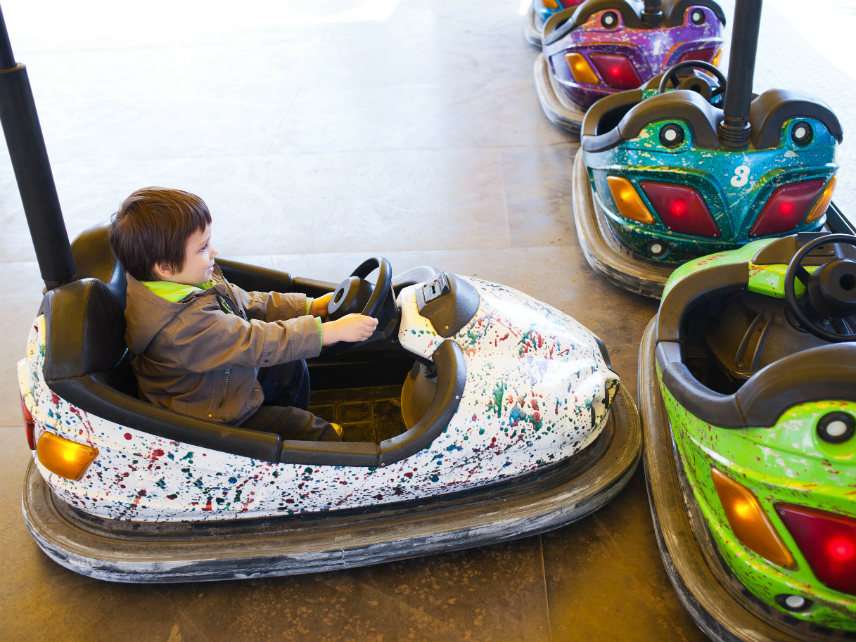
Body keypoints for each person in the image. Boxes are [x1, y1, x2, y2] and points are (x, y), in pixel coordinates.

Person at [109, 187, 377, 441]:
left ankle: (288, 414)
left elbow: (247, 302)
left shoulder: (185, 281)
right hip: (213, 414)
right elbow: (257, 341)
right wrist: (331, 331)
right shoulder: (183, 329)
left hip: (219, 381)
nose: (214, 252)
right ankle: (307, 445)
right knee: (310, 430)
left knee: (290, 366)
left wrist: (309, 306)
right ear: (165, 267)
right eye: (203, 248)